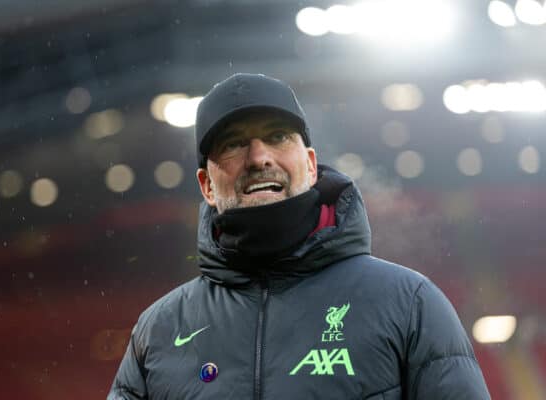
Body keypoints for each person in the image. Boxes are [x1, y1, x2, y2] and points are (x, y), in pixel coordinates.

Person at [108, 73, 491, 399]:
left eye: (277, 136)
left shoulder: (409, 304)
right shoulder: (159, 330)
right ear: (206, 185)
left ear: (309, 164)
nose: (259, 157)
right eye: (233, 144)